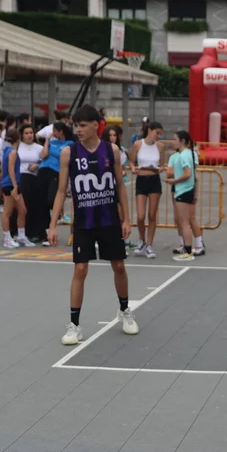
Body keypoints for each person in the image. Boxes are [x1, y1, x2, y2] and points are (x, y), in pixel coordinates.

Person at [47, 105, 138, 346]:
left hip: (109, 219)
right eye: (76, 125)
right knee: (80, 270)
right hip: (84, 222)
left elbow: (120, 185)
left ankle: (124, 310)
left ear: (95, 126)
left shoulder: (112, 150)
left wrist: (126, 218)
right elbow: (61, 191)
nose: (78, 130)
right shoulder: (69, 153)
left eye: (83, 125)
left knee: (118, 265)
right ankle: (74, 325)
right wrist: (53, 224)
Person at [166, 130, 205, 261]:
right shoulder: (189, 153)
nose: (173, 142)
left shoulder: (183, 155)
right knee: (186, 221)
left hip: (183, 190)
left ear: (182, 141)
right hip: (188, 189)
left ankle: (188, 249)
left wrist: (174, 181)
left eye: (175, 139)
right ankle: (189, 247)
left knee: (185, 222)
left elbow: (188, 173)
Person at [130, 121, 166, 258]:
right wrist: (133, 168)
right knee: (140, 216)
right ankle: (141, 239)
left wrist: (159, 168)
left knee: (152, 215)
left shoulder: (160, 146)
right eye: (157, 133)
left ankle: (150, 244)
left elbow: (162, 164)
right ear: (150, 130)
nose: (158, 136)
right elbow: (132, 161)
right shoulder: (138, 144)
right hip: (141, 180)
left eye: (160, 134)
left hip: (154, 180)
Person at [36, 123, 73, 246]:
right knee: (41, 203)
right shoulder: (51, 142)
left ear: (61, 131)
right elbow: (43, 155)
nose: (53, 133)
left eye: (55, 131)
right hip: (44, 170)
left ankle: (58, 213)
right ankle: (47, 233)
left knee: (51, 199)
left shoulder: (69, 144)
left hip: (56, 172)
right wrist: (47, 140)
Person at [16, 123, 45, 242]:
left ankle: (34, 231)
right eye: (26, 133)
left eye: (31, 133)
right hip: (21, 177)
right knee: (23, 205)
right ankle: (20, 231)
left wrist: (37, 165)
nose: (29, 135)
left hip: (34, 177)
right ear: (22, 135)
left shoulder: (39, 148)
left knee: (35, 205)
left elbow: (44, 160)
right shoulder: (18, 146)